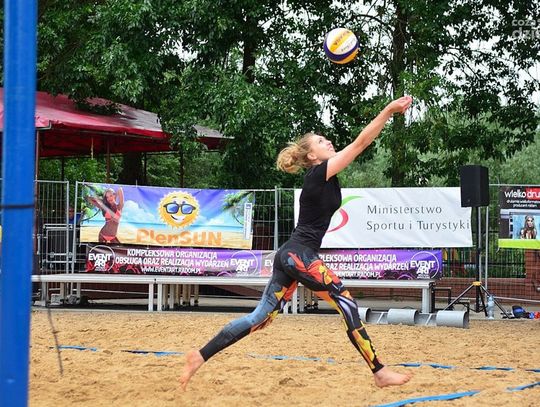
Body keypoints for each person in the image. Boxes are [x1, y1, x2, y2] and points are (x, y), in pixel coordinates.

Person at [180, 96, 414, 390]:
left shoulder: (327, 174)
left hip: (291, 255)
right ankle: (379, 372)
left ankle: (200, 356)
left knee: (260, 318)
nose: (328, 141)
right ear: (312, 156)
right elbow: (360, 143)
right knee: (346, 302)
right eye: (321, 141)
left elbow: (357, 146)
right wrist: (389, 110)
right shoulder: (317, 173)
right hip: (298, 254)